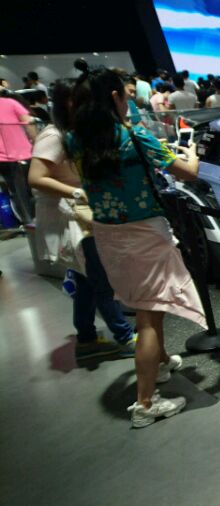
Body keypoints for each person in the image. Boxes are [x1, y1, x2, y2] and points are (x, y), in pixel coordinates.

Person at [68, 67, 206, 427]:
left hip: (107, 233)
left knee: (145, 304)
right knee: (149, 316)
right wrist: (193, 153)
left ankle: (160, 363)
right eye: (126, 94)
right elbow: (187, 172)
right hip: (144, 232)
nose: (129, 99)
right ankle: (145, 403)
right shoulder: (134, 136)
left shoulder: (75, 140)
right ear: (115, 97)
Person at [27, 79, 136, 359]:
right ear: (69, 102)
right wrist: (78, 192)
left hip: (80, 214)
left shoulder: (75, 132)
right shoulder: (54, 135)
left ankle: (86, 337)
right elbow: (36, 178)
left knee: (86, 278)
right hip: (73, 215)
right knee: (100, 277)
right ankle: (125, 336)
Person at [0, 91, 37, 225]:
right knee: (32, 189)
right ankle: (34, 219)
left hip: (2, 160)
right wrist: (37, 142)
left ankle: (27, 221)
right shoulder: (11, 103)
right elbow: (29, 123)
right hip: (23, 154)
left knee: (15, 191)